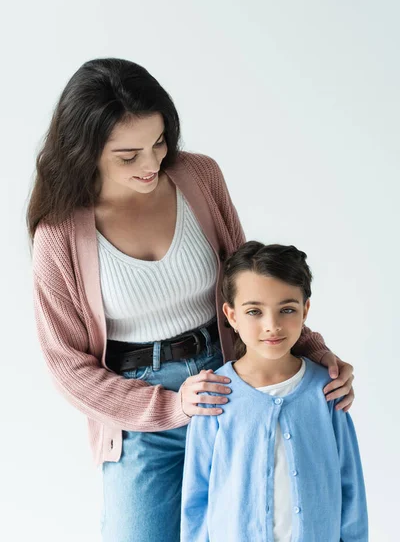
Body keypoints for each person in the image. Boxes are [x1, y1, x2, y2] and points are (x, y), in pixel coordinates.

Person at [28, 58, 355, 542]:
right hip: (140, 415)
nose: (151, 163)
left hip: (232, 387)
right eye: (127, 155)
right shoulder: (59, 234)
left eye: (158, 142)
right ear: (86, 151)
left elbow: (251, 288)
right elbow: (67, 367)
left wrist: (315, 354)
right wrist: (169, 407)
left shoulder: (198, 178)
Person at [181, 241, 368, 542]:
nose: (272, 325)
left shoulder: (327, 390)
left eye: (287, 310)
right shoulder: (214, 394)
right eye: (254, 311)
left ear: (305, 310)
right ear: (231, 316)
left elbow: (350, 484)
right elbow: (197, 495)